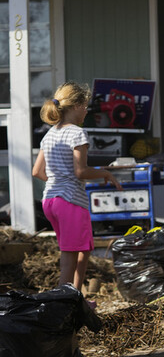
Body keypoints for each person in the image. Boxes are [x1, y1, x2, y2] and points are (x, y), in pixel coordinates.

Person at [32, 82, 122, 299]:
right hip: (70, 201)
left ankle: (76, 295)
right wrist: (106, 174)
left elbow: (37, 171)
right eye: (85, 106)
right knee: (70, 254)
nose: (87, 111)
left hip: (51, 201)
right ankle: (62, 301)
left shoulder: (50, 134)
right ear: (74, 106)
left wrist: (57, 183)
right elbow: (81, 172)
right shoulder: (77, 134)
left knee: (84, 247)